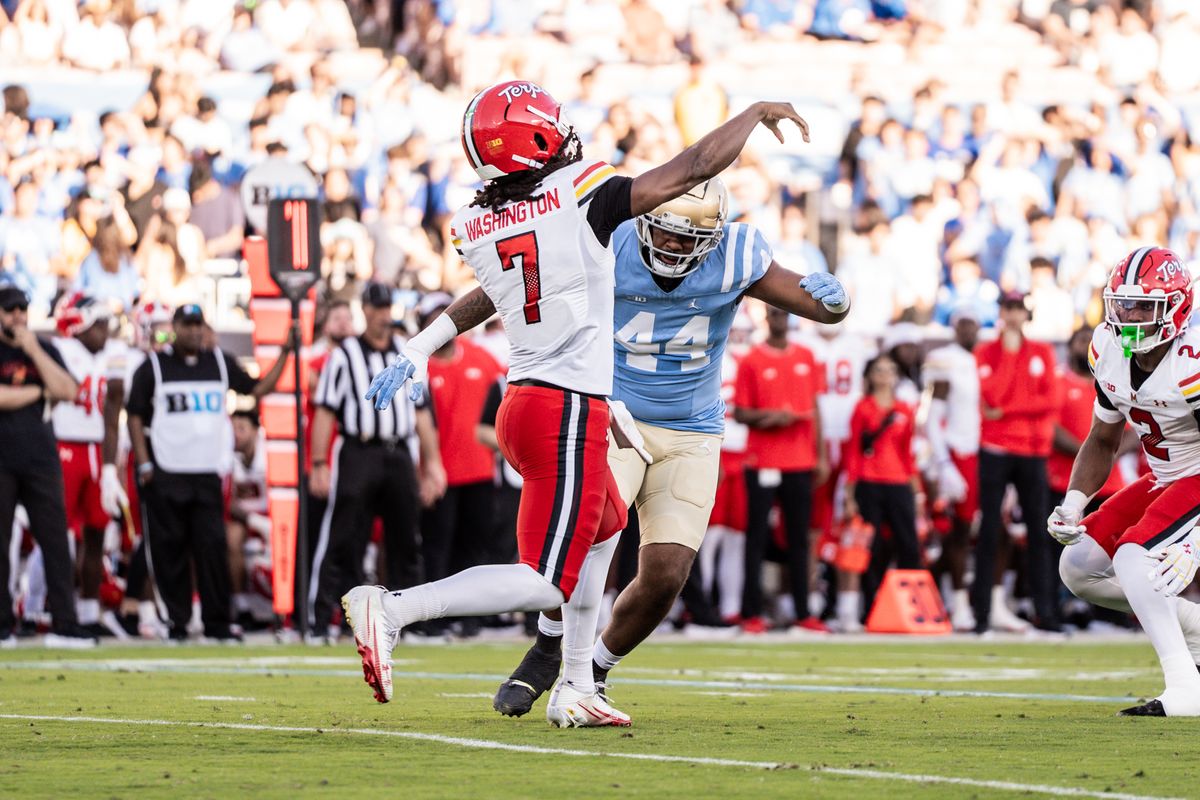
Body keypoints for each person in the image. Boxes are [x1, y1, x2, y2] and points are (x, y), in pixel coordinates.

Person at [341, 80, 810, 725]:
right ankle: (392, 609)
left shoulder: (477, 225)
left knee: (607, 533)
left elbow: (499, 291)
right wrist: (755, 112)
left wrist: (419, 346)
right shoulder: (577, 195)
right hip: (564, 407)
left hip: (544, 400)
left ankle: (577, 684)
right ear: (537, 140)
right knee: (545, 580)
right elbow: (695, 169)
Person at [494, 178, 848, 717]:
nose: (675, 246)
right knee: (586, 539)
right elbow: (524, 289)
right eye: (665, 232)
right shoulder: (608, 242)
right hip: (615, 415)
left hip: (693, 429)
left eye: (690, 238)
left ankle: (592, 672)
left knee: (666, 574)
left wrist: (837, 303)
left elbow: (816, 306)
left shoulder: (737, 254)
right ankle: (548, 647)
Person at [1053, 246, 1200, 716]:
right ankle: (1196, 631)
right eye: (1124, 304)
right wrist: (1075, 502)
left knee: (1136, 557)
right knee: (1078, 568)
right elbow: (1101, 438)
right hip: (1164, 477)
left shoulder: (1190, 362)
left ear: (1176, 306)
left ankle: (1185, 686)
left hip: (1195, 475)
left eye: (1144, 306)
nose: (1130, 315)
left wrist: (1195, 545)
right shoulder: (1107, 350)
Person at [126, 304, 294, 641]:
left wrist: (286, 353)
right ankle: (177, 622)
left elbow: (257, 389)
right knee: (169, 551)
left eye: (197, 325)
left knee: (212, 549)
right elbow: (135, 415)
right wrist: (144, 463)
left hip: (205, 473)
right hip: (167, 471)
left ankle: (217, 623)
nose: (192, 331)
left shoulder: (219, 362)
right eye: (186, 325)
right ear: (174, 327)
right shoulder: (155, 367)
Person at [308, 282, 446, 641]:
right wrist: (320, 463)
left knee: (405, 539)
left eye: (387, 307)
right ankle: (324, 620)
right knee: (344, 536)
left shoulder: (406, 351)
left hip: (399, 452)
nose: (383, 314)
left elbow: (421, 412)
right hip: (359, 450)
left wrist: (432, 465)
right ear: (365, 310)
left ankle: (408, 624)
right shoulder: (345, 354)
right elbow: (325, 410)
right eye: (377, 307)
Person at [0, 284, 96, 647]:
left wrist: (33, 350)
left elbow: (70, 391)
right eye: (10, 310)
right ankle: (2, 624)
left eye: (22, 309)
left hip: (41, 456)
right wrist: (40, 393)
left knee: (57, 540)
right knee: (1, 543)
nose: (18, 316)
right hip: (3, 457)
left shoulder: (44, 347)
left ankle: (65, 623)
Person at [735, 305, 828, 633]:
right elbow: (741, 412)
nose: (780, 320)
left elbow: (815, 407)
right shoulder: (751, 360)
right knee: (756, 536)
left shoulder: (806, 355)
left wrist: (821, 455)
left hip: (800, 461)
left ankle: (804, 611)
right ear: (766, 319)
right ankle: (751, 612)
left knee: (800, 538)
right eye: (774, 314)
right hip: (762, 460)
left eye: (784, 314)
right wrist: (770, 418)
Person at [973, 290, 1060, 633]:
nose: (1013, 315)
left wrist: (1006, 411)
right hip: (995, 449)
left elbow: (1048, 401)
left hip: (1032, 450)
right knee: (989, 531)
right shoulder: (987, 351)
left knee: (1039, 533)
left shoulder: (1043, 351)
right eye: (1008, 308)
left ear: (1027, 314)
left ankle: (1047, 614)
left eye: (1018, 309)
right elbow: (991, 393)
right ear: (1000, 312)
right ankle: (982, 616)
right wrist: (1009, 354)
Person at [419, 292, 504, 635]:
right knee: (437, 547)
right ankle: (433, 618)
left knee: (474, 547)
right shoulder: (420, 364)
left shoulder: (482, 359)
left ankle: (470, 618)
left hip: (479, 470)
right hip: (438, 472)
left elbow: (507, 394)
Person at [50, 292, 129, 637]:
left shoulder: (113, 353)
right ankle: (41, 606)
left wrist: (110, 468)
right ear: (77, 325)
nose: (104, 330)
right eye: (96, 323)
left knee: (97, 531)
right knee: (55, 536)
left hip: (98, 449)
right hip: (63, 444)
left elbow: (113, 409)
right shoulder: (60, 351)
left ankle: (87, 611)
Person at [843, 354, 920, 616]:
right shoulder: (862, 408)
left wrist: (916, 490)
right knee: (871, 548)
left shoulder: (904, 410)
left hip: (898, 481)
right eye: (879, 370)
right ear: (870, 376)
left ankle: (911, 606)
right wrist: (850, 493)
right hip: (869, 481)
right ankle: (871, 607)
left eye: (890, 369)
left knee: (908, 544)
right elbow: (853, 451)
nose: (885, 375)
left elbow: (908, 452)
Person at [923, 307, 982, 631]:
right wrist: (944, 463)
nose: (970, 330)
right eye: (964, 323)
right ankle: (956, 601)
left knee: (987, 532)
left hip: (984, 452)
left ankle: (968, 599)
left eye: (974, 323)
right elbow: (933, 415)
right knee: (956, 531)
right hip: (957, 451)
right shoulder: (946, 359)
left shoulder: (987, 358)